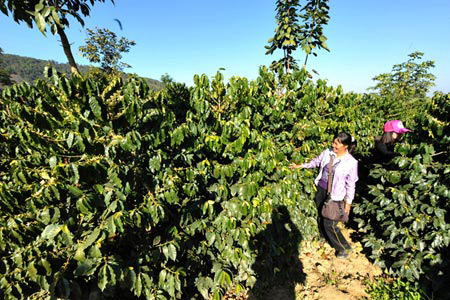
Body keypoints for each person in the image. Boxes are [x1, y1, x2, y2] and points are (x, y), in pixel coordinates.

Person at [290, 132, 358, 259]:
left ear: (346, 146)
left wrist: (348, 202)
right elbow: (316, 162)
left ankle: (344, 247)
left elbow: (351, 184)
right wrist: (301, 166)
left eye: (337, 144)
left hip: (335, 195)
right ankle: (324, 237)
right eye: (333, 142)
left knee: (330, 223)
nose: (333, 145)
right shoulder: (327, 152)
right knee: (321, 214)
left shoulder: (351, 163)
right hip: (321, 189)